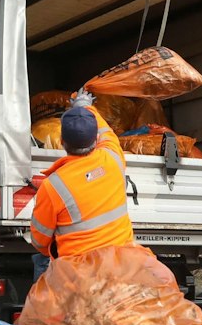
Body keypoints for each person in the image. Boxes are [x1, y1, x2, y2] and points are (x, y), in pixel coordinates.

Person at [28, 93, 135, 265]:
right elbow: (106, 131)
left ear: (61, 141)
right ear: (97, 139)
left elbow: (39, 243)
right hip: (121, 265)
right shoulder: (113, 157)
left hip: (79, 276)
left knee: (41, 261)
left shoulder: (53, 186)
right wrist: (85, 106)